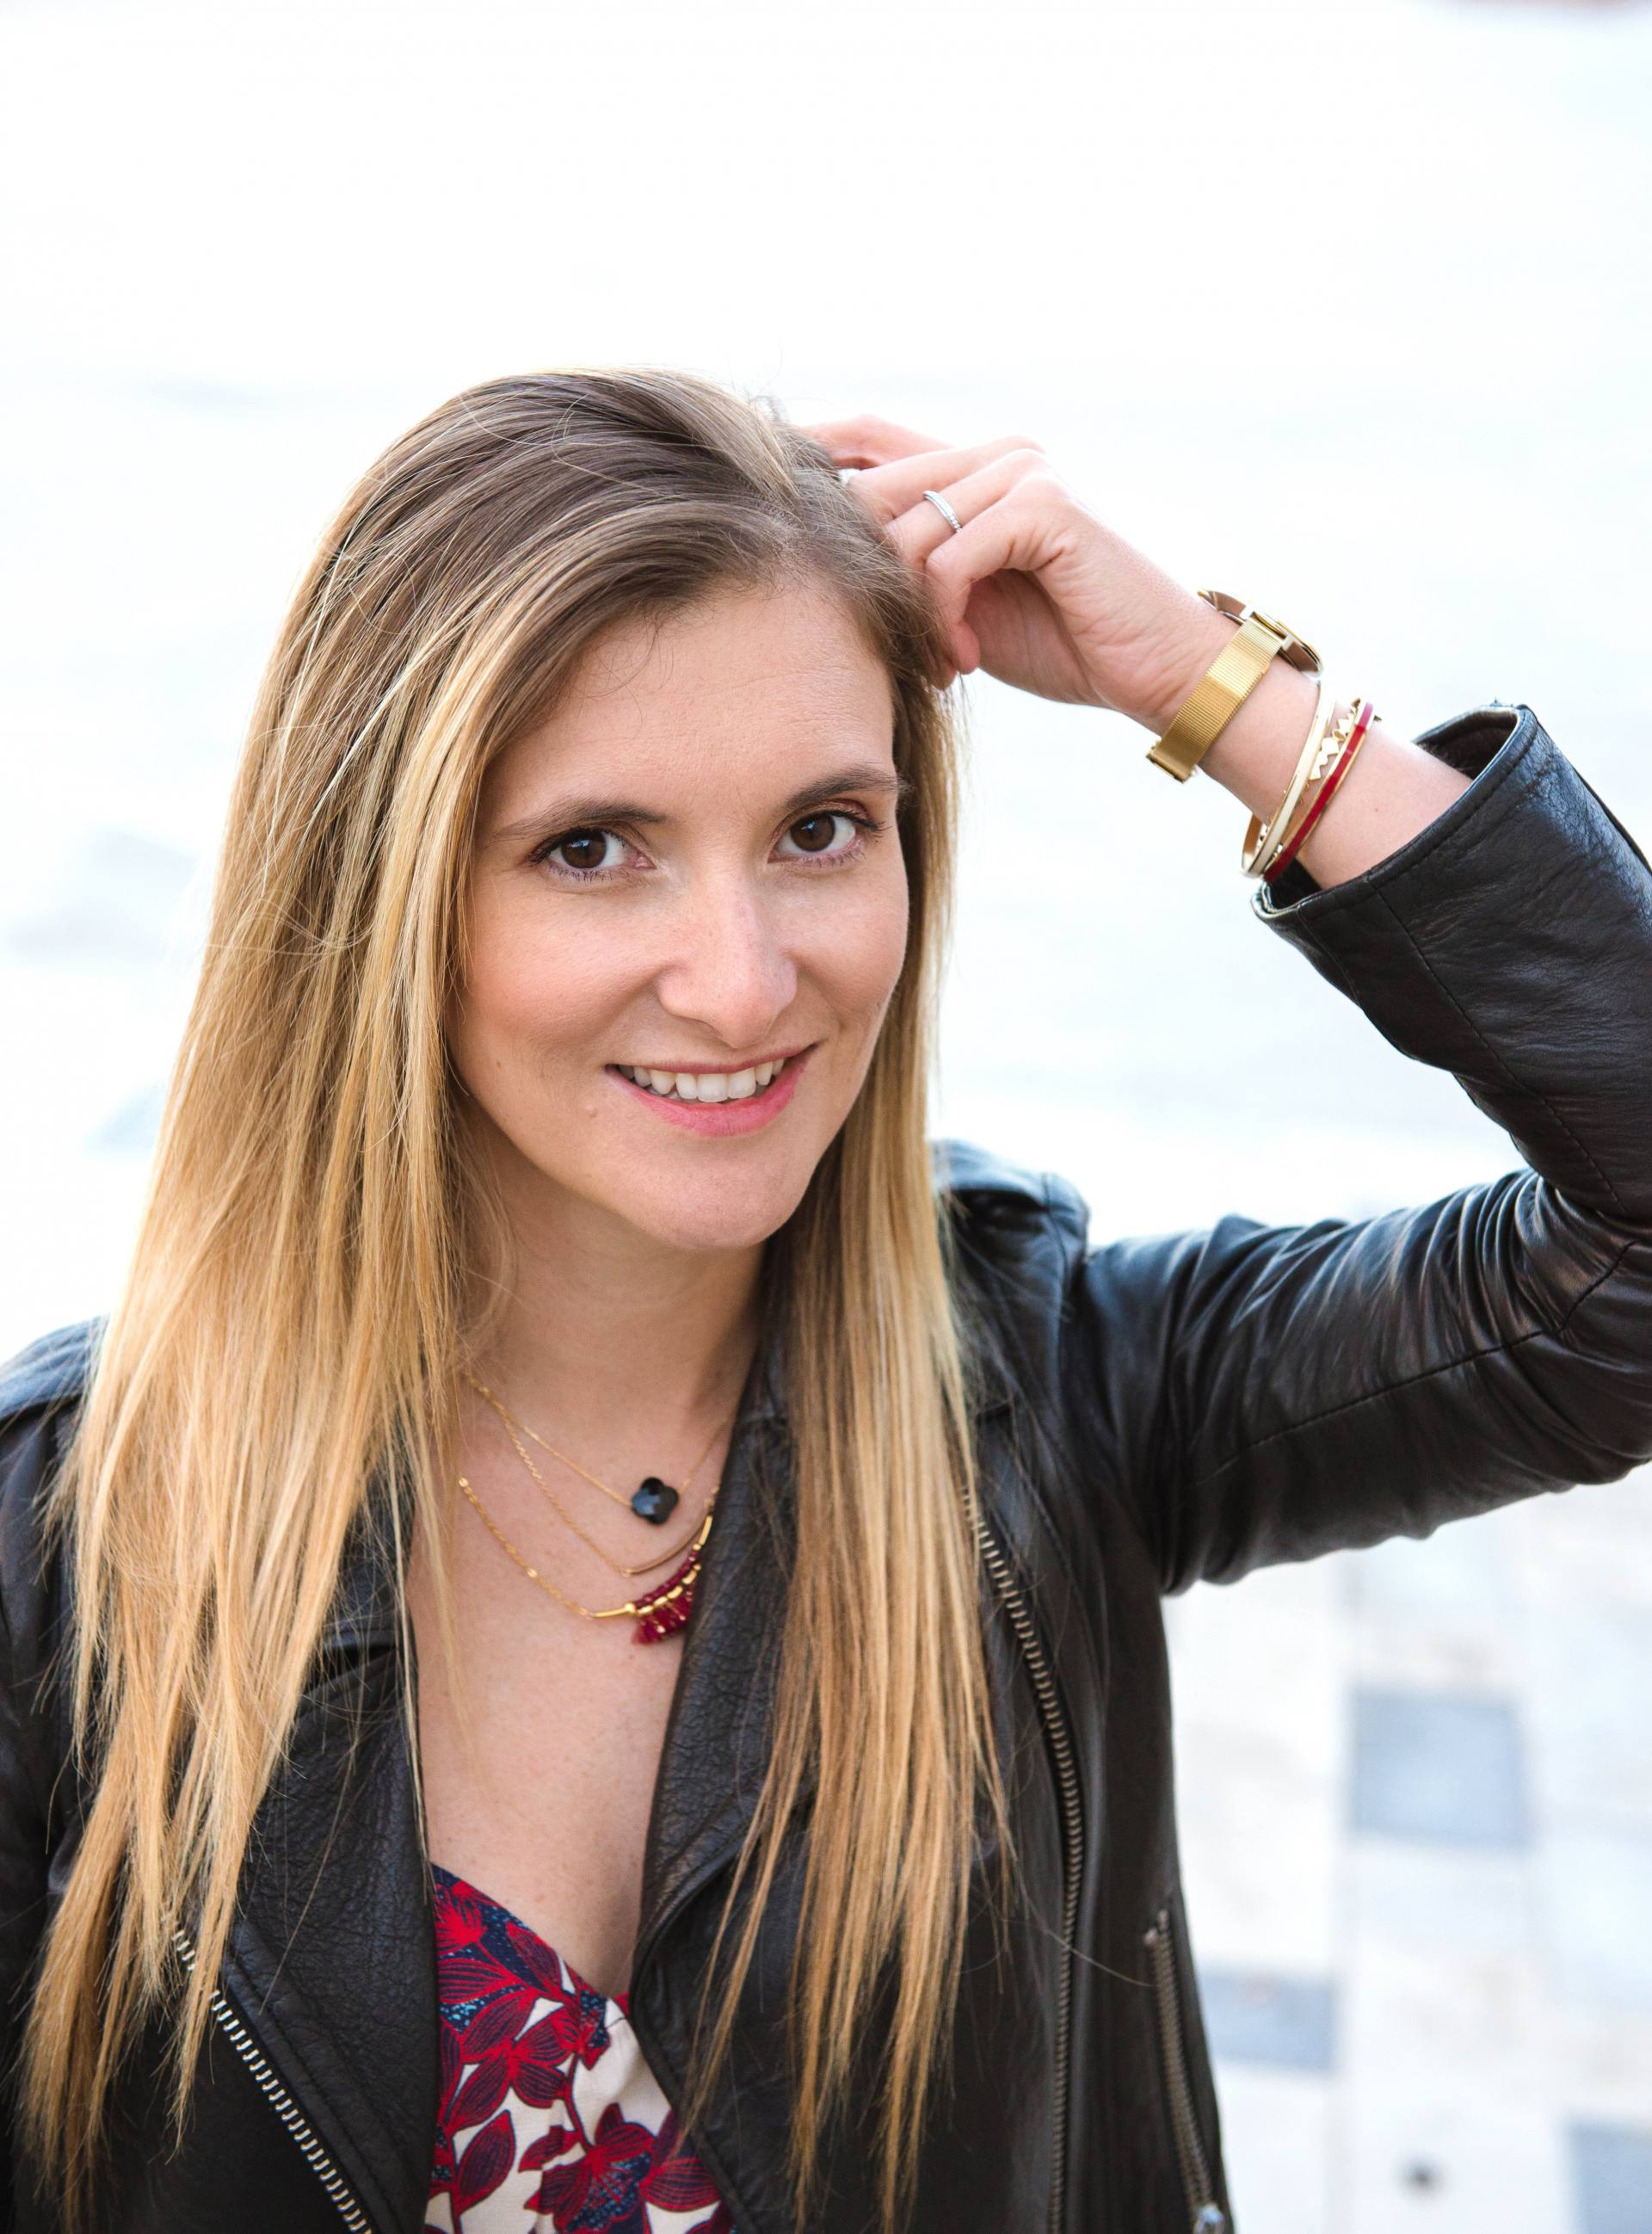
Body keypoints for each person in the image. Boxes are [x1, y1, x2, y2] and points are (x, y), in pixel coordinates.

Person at [2, 369, 1649, 2234]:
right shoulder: (63, 1554)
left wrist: (1215, 689)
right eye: (591, 847)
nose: (742, 981)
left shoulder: (1056, 1401)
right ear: (380, 898)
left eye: (820, 829)